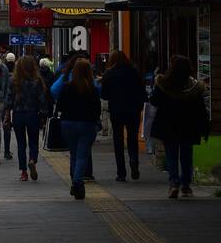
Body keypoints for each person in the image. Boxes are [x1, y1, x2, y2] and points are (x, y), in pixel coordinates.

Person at [149, 55, 209, 198]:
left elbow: (154, 101)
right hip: (188, 125)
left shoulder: (164, 84)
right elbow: (200, 108)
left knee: (171, 155)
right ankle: (186, 186)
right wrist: (204, 125)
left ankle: (174, 183)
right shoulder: (194, 87)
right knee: (186, 156)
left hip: (169, 124)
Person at [51, 56, 101, 199]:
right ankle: (77, 182)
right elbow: (97, 107)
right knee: (82, 154)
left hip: (68, 124)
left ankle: (75, 179)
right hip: (87, 124)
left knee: (74, 153)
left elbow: (59, 105)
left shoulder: (67, 86)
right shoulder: (92, 88)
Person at [100, 50, 144, 182]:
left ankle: (121, 173)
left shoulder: (109, 74)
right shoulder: (134, 72)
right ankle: (133, 159)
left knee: (118, 140)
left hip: (116, 110)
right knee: (132, 138)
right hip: (133, 110)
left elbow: (104, 95)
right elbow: (141, 91)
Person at [7, 55, 47, 181]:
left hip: (18, 115)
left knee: (21, 144)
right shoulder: (37, 80)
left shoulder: (13, 80)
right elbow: (42, 99)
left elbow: (8, 100)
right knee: (33, 141)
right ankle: (32, 160)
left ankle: (23, 172)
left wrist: (7, 114)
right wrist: (44, 115)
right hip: (32, 114)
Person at [1, 52, 16, 160]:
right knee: (6, 127)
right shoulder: (16, 71)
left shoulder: (2, 69)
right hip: (8, 103)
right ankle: (6, 151)